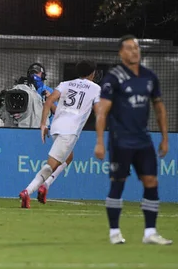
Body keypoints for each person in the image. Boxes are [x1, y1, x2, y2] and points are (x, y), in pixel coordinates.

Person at [95, 35, 172, 245]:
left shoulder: (149, 77)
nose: (134, 51)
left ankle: (150, 232)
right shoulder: (114, 77)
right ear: (121, 53)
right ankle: (114, 232)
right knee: (118, 182)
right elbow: (102, 111)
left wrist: (165, 138)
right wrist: (100, 140)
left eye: (136, 47)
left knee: (151, 182)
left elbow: (159, 107)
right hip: (120, 140)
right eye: (129, 48)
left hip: (143, 140)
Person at [19, 60, 100, 208]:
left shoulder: (65, 84)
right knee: (51, 165)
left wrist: (43, 124)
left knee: (68, 157)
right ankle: (27, 191)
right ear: (92, 73)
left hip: (56, 126)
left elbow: (49, 100)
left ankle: (46, 185)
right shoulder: (95, 88)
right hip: (70, 130)